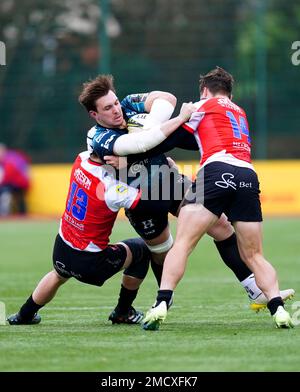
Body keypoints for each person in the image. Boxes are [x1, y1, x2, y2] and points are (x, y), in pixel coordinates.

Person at [85, 75, 293, 313]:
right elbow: (137, 146)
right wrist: (144, 144)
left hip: (169, 181)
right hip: (141, 197)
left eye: (115, 103)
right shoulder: (97, 136)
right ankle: (144, 305)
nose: (116, 110)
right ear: (95, 114)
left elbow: (166, 98)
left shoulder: (129, 103)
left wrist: (153, 123)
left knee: (223, 227)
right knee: (162, 251)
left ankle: (254, 289)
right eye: (107, 108)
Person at [6, 99, 195, 326]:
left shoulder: (81, 160)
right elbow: (150, 204)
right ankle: (122, 311)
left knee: (58, 274)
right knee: (143, 250)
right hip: (91, 261)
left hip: (63, 245)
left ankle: (24, 314)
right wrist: (170, 172)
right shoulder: (112, 189)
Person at [142, 67, 294, 330]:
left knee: (183, 244)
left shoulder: (202, 105)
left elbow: (166, 138)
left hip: (216, 171)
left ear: (204, 90)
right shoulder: (239, 111)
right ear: (230, 93)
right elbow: (201, 138)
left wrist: (169, 122)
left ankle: (162, 303)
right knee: (255, 254)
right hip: (247, 175)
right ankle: (278, 308)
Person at [0, 144, 31, 216]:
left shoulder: (10, 160)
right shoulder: (9, 158)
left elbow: (7, 178)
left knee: (5, 191)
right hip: (16, 184)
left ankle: (4, 212)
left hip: (20, 184)